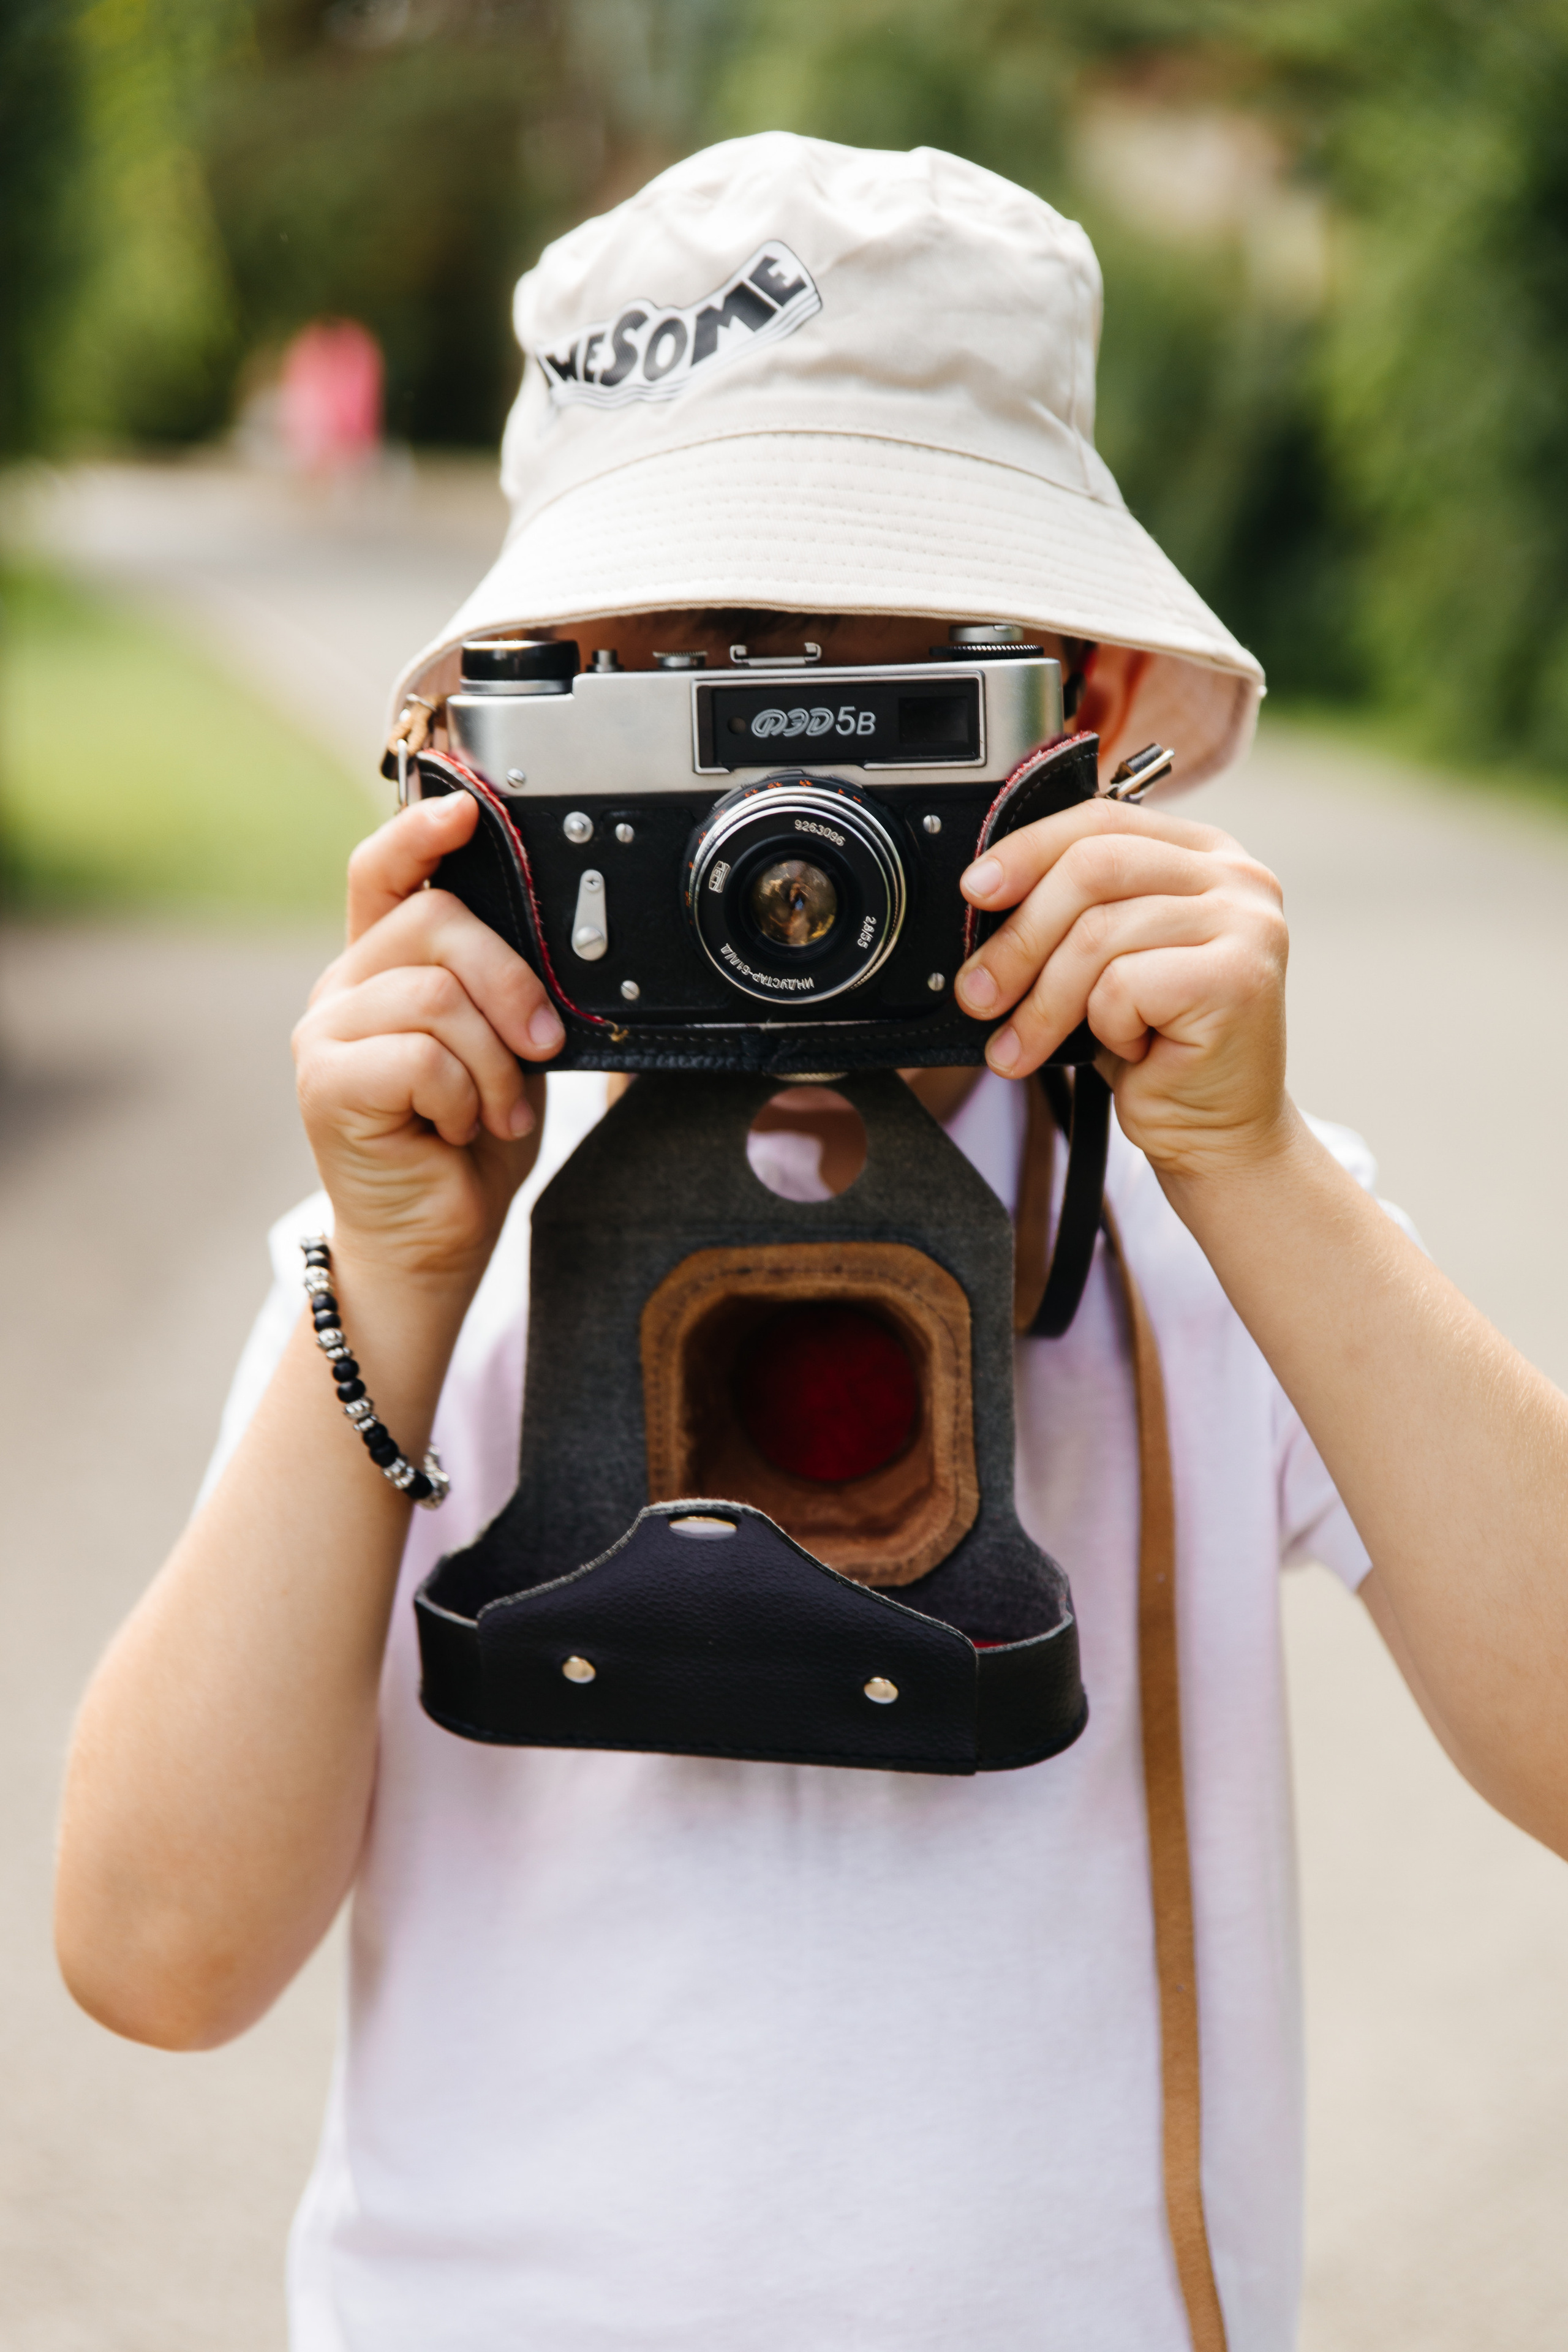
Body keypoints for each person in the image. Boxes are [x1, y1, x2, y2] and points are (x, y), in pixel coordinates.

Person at [53, 136, 1568, 2352]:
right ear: (493, 768)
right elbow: (157, 1957)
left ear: (1087, 723)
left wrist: (1251, 1170)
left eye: (869, 703)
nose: (786, 841)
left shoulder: (1205, 1220)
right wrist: (387, 1274)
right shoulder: (410, 1251)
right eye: (674, 711)